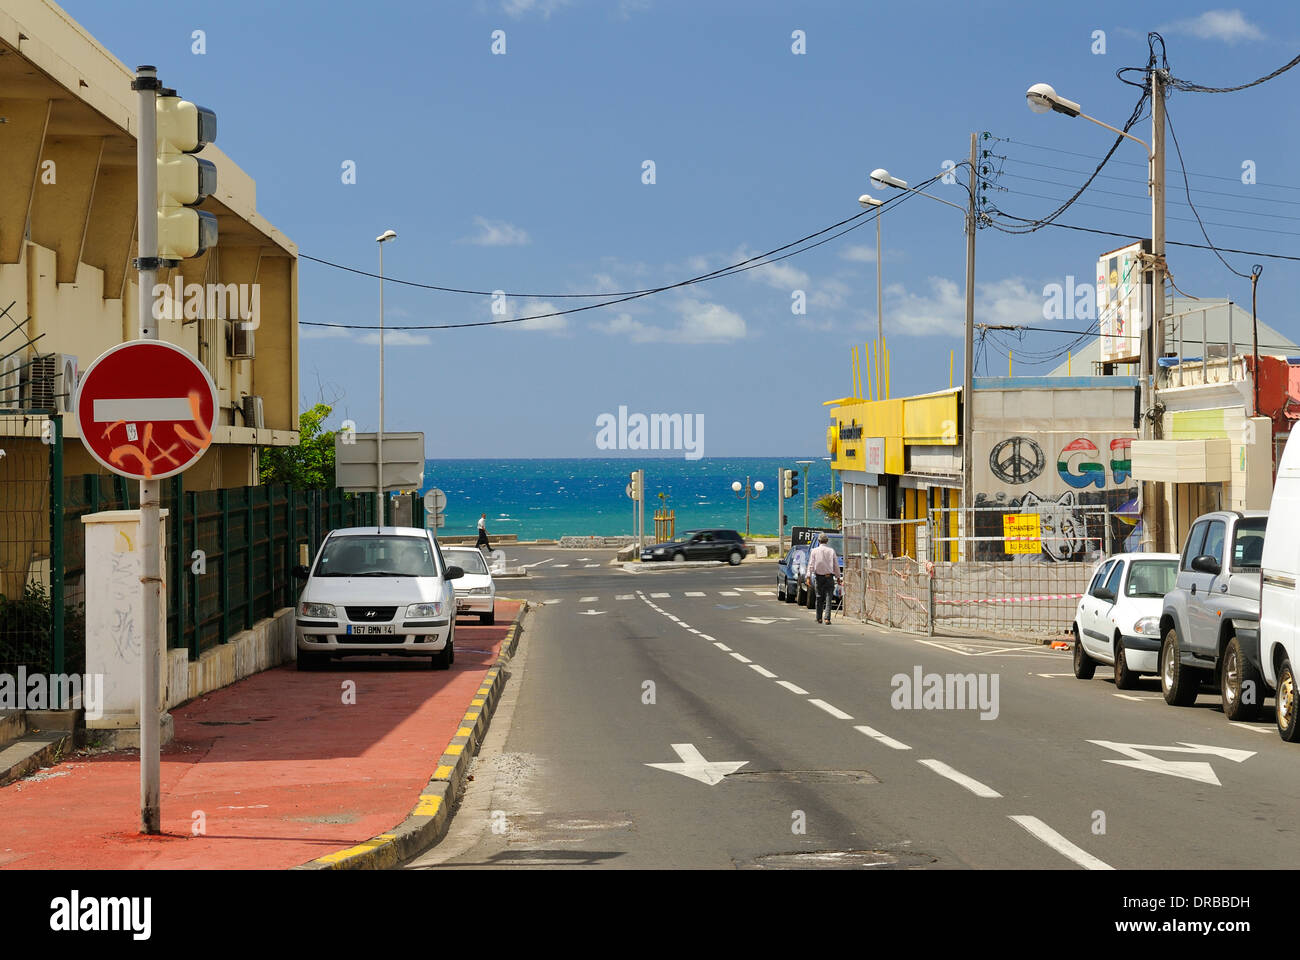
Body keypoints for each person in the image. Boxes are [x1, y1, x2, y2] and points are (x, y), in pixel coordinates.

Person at [807, 532, 837, 625]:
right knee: (829, 598)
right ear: (827, 541)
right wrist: (838, 577)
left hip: (819, 577)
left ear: (819, 541)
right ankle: (827, 618)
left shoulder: (814, 551)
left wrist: (808, 576)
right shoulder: (831, 551)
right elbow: (835, 565)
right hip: (829, 577)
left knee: (819, 597)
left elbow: (811, 565)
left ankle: (819, 618)